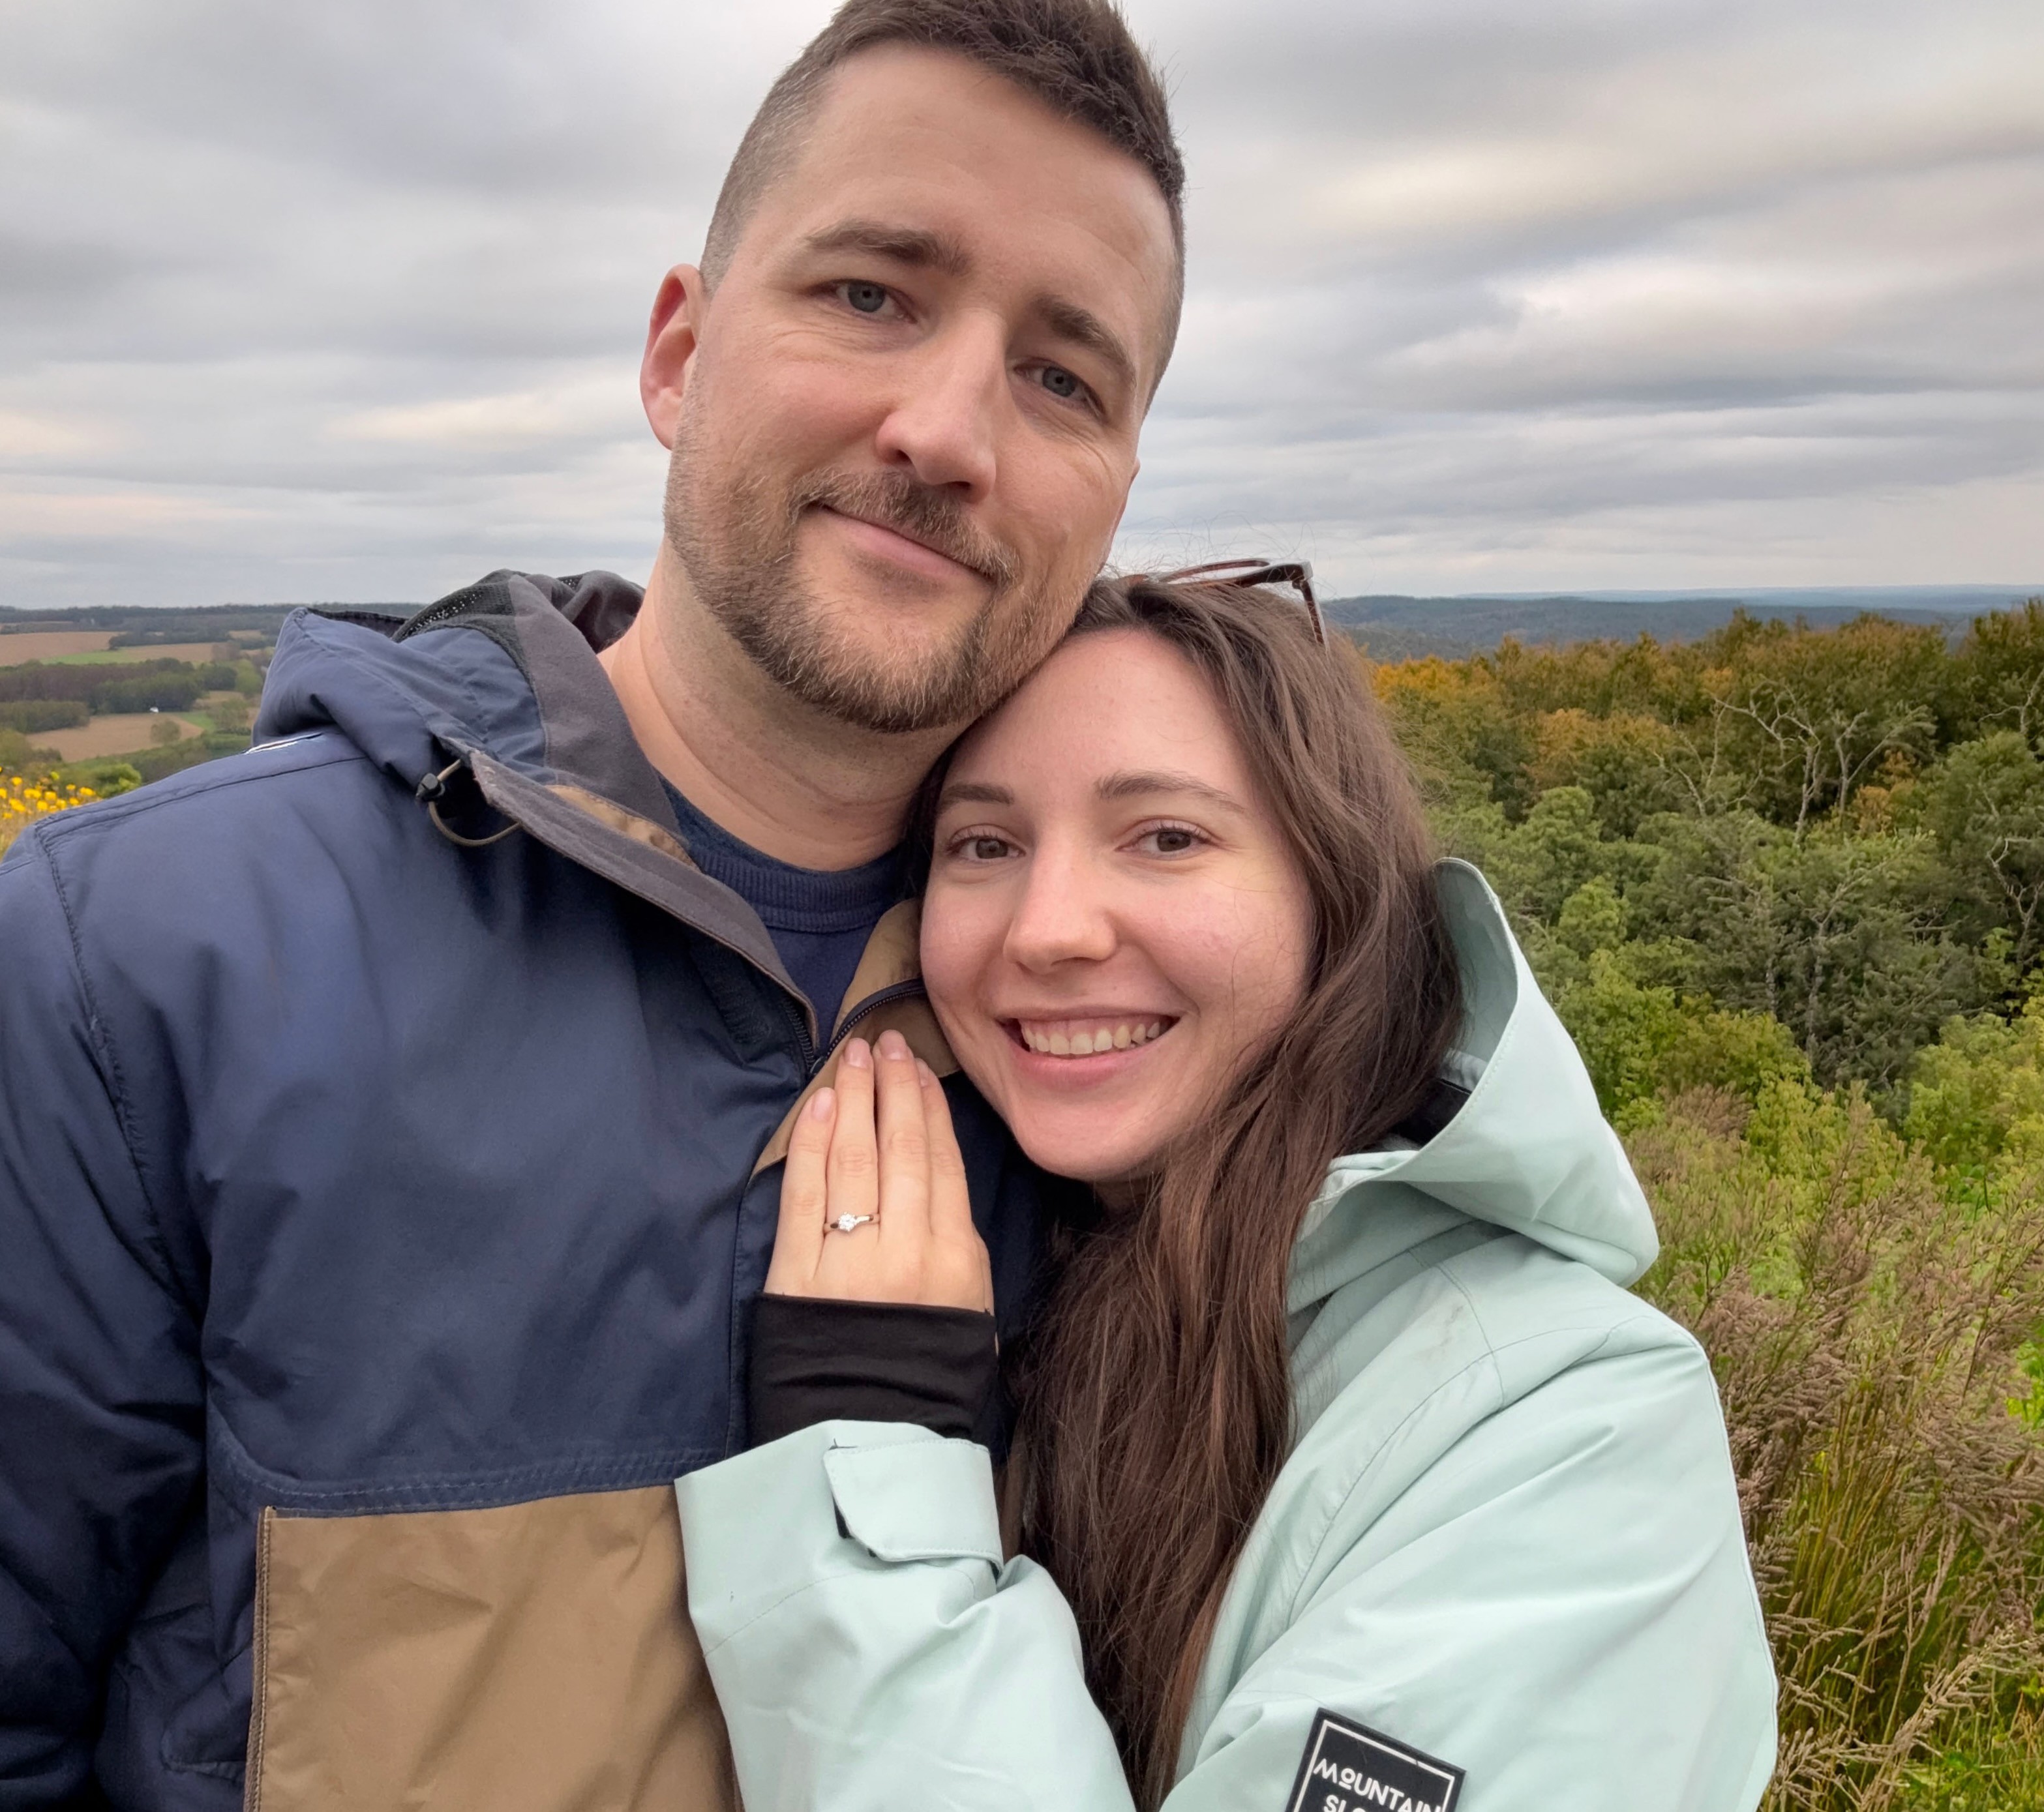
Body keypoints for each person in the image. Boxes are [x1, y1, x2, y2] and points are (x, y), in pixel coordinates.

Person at [0, 4, 1182, 1805]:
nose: (945, 429)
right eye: (870, 292)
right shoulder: (134, 964)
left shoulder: (1141, 1055)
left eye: (1062, 377)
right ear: (676, 354)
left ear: (1111, 494)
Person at [675, 572, 1780, 1811]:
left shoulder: (1571, 1435)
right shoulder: (1043, 1277)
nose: (1049, 931)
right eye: (984, 844)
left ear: (1335, 896)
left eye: (1165, 837)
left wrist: (873, 1478)